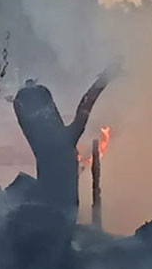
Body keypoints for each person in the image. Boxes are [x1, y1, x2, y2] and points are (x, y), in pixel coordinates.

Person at [12, 64, 118, 213]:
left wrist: (103, 80)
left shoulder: (38, 141)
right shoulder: (64, 139)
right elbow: (86, 105)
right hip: (63, 211)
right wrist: (103, 80)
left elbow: (85, 106)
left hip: (49, 209)